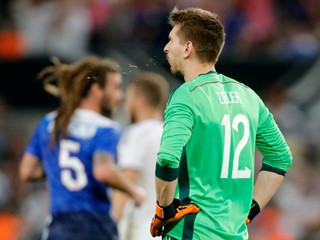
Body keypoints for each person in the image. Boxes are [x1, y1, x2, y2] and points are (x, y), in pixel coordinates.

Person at [149, 7, 293, 240]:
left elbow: (167, 157)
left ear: (188, 48)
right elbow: (281, 157)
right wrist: (251, 209)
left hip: (193, 232)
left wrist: (164, 209)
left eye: (171, 39)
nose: (166, 47)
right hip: (235, 234)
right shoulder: (249, 96)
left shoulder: (186, 95)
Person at [19, 56, 145, 240]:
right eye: (116, 87)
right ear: (96, 90)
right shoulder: (105, 128)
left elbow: (26, 172)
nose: (121, 96)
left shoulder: (50, 122)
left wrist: (56, 165)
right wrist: (134, 191)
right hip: (94, 226)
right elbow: (102, 170)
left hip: (58, 227)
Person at [112, 72, 169, 240]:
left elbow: (127, 178)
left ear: (140, 101)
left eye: (128, 99)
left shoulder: (138, 133)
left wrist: (111, 224)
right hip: (167, 232)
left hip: (140, 230)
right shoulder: (171, 135)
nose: (125, 105)